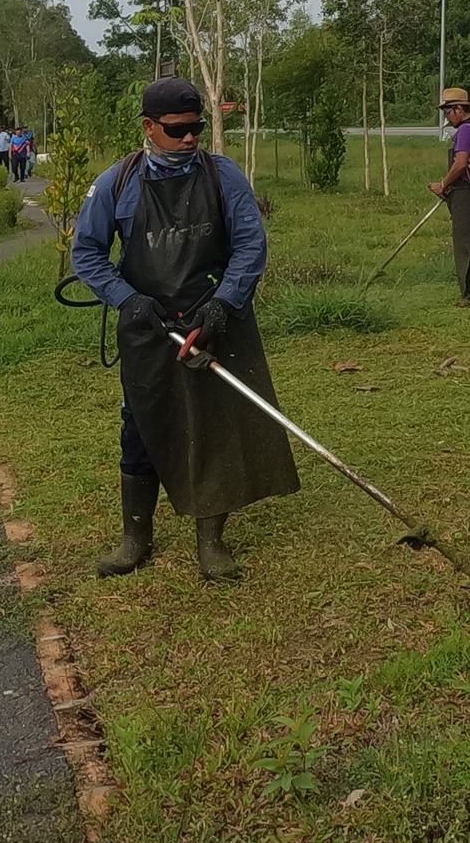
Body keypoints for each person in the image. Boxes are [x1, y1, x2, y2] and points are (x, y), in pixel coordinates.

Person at [70, 76, 299, 581]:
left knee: (214, 426)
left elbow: (250, 246)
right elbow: (85, 253)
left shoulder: (224, 176)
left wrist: (222, 305)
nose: (190, 138)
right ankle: (135, 536)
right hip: (148, 325)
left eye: (196, 127)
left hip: (211, 318)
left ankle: (211, 541)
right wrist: (127, 299)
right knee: (142, 426)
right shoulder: (117, 182)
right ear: (149, 128)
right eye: (177, 130)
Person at [429, 87, 470, 305]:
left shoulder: (466, 131)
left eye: (448, 111)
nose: (447, 116)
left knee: (466, 241)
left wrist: (443, 184)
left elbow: (460, 164)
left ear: (459, 108)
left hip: (466, 192)